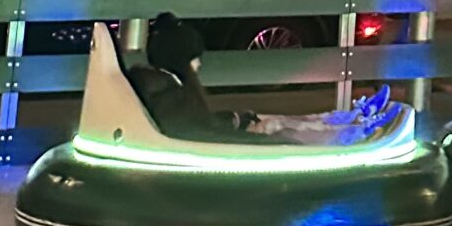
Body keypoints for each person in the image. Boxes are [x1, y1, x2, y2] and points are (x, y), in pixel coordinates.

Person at [138, 13, 401, 147]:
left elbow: (199, 126)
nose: (199, 64)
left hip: (226, 134)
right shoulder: (170, 94)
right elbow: (200, 137)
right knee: (284, 129)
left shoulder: (168, 86)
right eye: (195, 59)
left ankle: (350, 120)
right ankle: (354, 131)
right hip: (231, 144)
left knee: (285, 121)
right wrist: (250, 135)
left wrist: (234, 118)